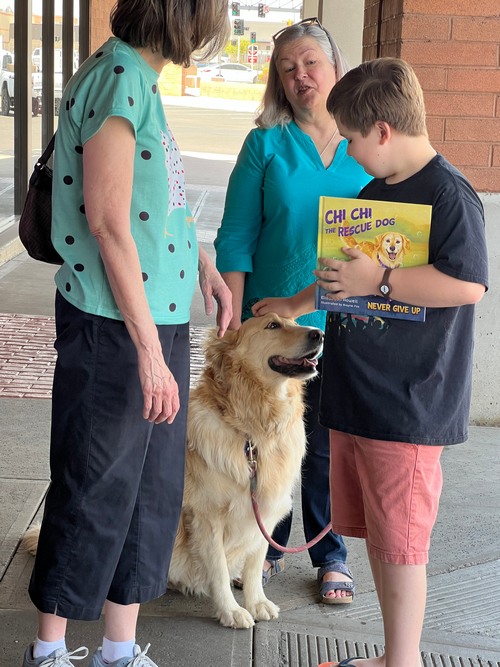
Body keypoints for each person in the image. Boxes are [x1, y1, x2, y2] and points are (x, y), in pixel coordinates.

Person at [257, 57, 488, 667]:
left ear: (383, 131)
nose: (349, 153)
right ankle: (391, 656)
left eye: (352, 140)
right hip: (358, 395)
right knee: (382, 541)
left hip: (408, 404)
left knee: (402, 543)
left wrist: (381, 278)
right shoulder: (374, 192)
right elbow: (341, 275)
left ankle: (402, 661)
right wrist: (295, 304)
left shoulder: (450, 194)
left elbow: (468, 284)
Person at [22, 2, 232, 667]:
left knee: (149, 489)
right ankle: (48, 650)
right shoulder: (118, 78)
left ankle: (117, 649)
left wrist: (202, 265)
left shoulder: (139, 76)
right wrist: (148, 352)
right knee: (93, 484)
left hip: (152, 313)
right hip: (114, 323)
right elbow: (109, 221)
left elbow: (154, 205)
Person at [214, 17, 371, 604]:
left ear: (335, 68)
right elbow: (236, 236)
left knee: (327, 445)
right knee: (267, 441)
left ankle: (331, 554)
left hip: (346, 322)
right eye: (287, 69)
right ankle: (268, 549)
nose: (300, 76)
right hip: (274, 330)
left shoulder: (365, 145)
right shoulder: (265, 144)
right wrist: (233, 318)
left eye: (310, 63)